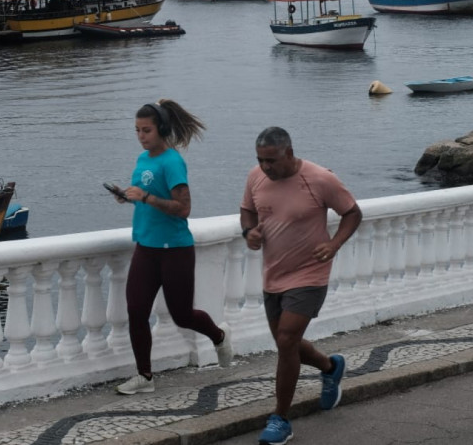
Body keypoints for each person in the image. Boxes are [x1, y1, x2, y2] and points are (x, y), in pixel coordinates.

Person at [240, 126, 363, 445]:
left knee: (285, 338)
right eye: (260, 160)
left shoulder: (320, 178)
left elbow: (352, 213)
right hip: (273, 274)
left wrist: (334, 245)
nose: (265, 167)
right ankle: (330, 366)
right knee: (286, 343)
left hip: (310, 273)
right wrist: (248, 232)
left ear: (289, 153)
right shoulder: (256, 176)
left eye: (271, 160)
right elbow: (247, 211)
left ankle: (280, 418)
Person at [113, 99, 232, 395]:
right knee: (136, 310)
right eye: (137, 130)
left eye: (147, 130)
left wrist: (146, 198)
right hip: (146, 245)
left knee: (182, 315)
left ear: (162, 129)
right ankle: (145, 376)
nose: (141, 136)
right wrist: (128, 197)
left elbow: (183, 208)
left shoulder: (172, 161)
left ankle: (218, 336)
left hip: (175, 249)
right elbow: (144, 194)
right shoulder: (143, 160)